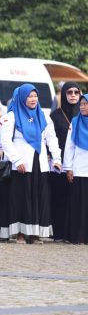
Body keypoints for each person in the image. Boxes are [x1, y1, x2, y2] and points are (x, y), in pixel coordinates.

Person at [0, 84, 61, 244]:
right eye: (29, 96)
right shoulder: (12, 116)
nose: (33, 99)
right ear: (22, 98)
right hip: (21, 164)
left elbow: (52, 138)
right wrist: (16, 160)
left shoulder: (43, 116)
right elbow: (5, 141)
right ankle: (20, 233)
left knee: (38, 197)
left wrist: (57, 159)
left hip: (40, 163)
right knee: (21, 198)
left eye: (35, 96)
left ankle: (34, 234)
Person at [49, 82, 81, 242]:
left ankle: (73, 232)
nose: (73, 95)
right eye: (69, 92)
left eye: (76, 92)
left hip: (80, 164)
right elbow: (49, 139)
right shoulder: (55, 116)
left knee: (76, 199)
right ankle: (59, 232)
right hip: (59, 164)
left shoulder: (84, 114)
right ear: (63, 94)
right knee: (59, 198)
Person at [64, 94, 88, 244]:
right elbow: (69, 146)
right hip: (79, 169)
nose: (83, 106)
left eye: (86, 104)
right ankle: (78, 236)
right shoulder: (75, 122)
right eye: (82, 104)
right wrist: (68, 168)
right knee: (79, 205)